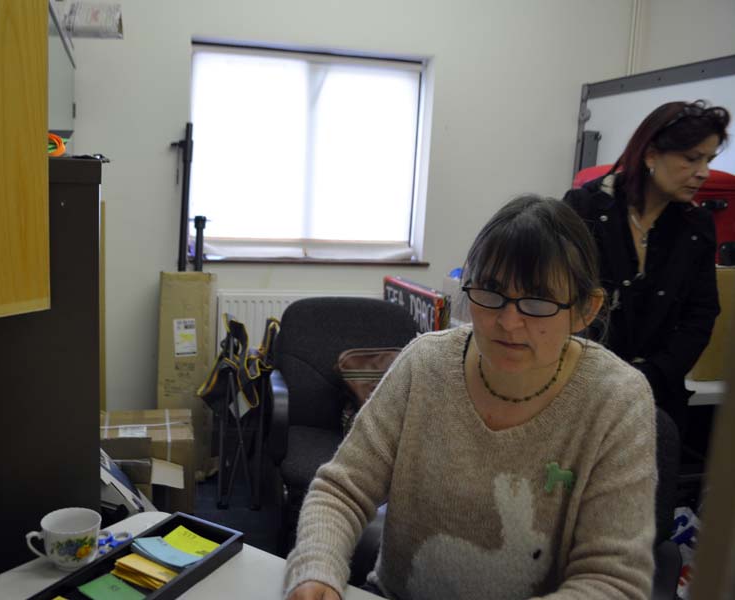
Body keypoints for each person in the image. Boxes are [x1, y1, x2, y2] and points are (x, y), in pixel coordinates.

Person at [283, 195, 657, 600]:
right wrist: (316, 569)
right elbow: (341, 490)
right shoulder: (426, 364)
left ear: (585, 309)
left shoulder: (617, 400)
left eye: (537, 300)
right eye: (491, 292)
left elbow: (613, 581)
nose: (509, 322)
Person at [563, 100, 729, 427]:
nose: (704, 173)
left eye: (709, 160)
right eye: (691, 158)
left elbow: (701, 314)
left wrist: (648, 377)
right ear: (651, 154)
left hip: (655, 398)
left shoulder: (696, 226)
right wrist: (602, 379)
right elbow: (561, 301)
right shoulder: (585, 208)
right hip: (580, 391)